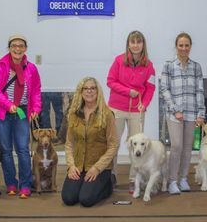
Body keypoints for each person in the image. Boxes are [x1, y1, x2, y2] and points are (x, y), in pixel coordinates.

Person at [0, 34, 41, 199]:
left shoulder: (31, 68)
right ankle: (11, 183)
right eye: (14, 46)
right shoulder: (1, 65)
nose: (17, 49)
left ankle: (25, 185)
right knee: (5, 150)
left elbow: (36, 90)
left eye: (21, 46)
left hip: (22, 113)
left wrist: (36, 108)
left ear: (25, 48)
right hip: (3, 114)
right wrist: (8, 104)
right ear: (9, 48)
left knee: (23, 150)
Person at [107, 30, 156, 192]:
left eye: (139, 42)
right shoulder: (119, 61)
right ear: (128, 44)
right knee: (112, 143)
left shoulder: (149, 65)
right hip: (116, 108)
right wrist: (128, 92)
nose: (136, 45)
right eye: (133, 42)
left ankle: (134, 179)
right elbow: (110, 81)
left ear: (143, 44)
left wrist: (145, 104)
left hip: (137, 110)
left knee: (137, 146)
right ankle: (110, 175)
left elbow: (150, 87)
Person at [62, 77, 118, 207]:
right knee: (68, 198)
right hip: (78, 166)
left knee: (86, 200)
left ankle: (108, 184)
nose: (89, 91)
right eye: (86, 88)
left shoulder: (107, 114)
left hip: (99, 167)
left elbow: (113, 145)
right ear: (81, 92)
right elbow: (69, 144)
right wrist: (71, 166)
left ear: (98, 92)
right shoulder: (73, 114)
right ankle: (84, 184)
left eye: (93, 88)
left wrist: (97, 168)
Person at [160, 32, 205, 194]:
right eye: (181, 45)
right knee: (177, 145)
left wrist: (201, 113)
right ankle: (172, 181)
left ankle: (183, 178)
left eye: (187, 45)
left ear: (190, 47)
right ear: (176, 47)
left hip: (192, 113)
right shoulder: (169, 65)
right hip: (174, 114)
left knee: (187, 147)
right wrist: (175, 109)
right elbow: (164, 89)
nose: (184, 48)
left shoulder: (196, 67)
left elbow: (200, 90)